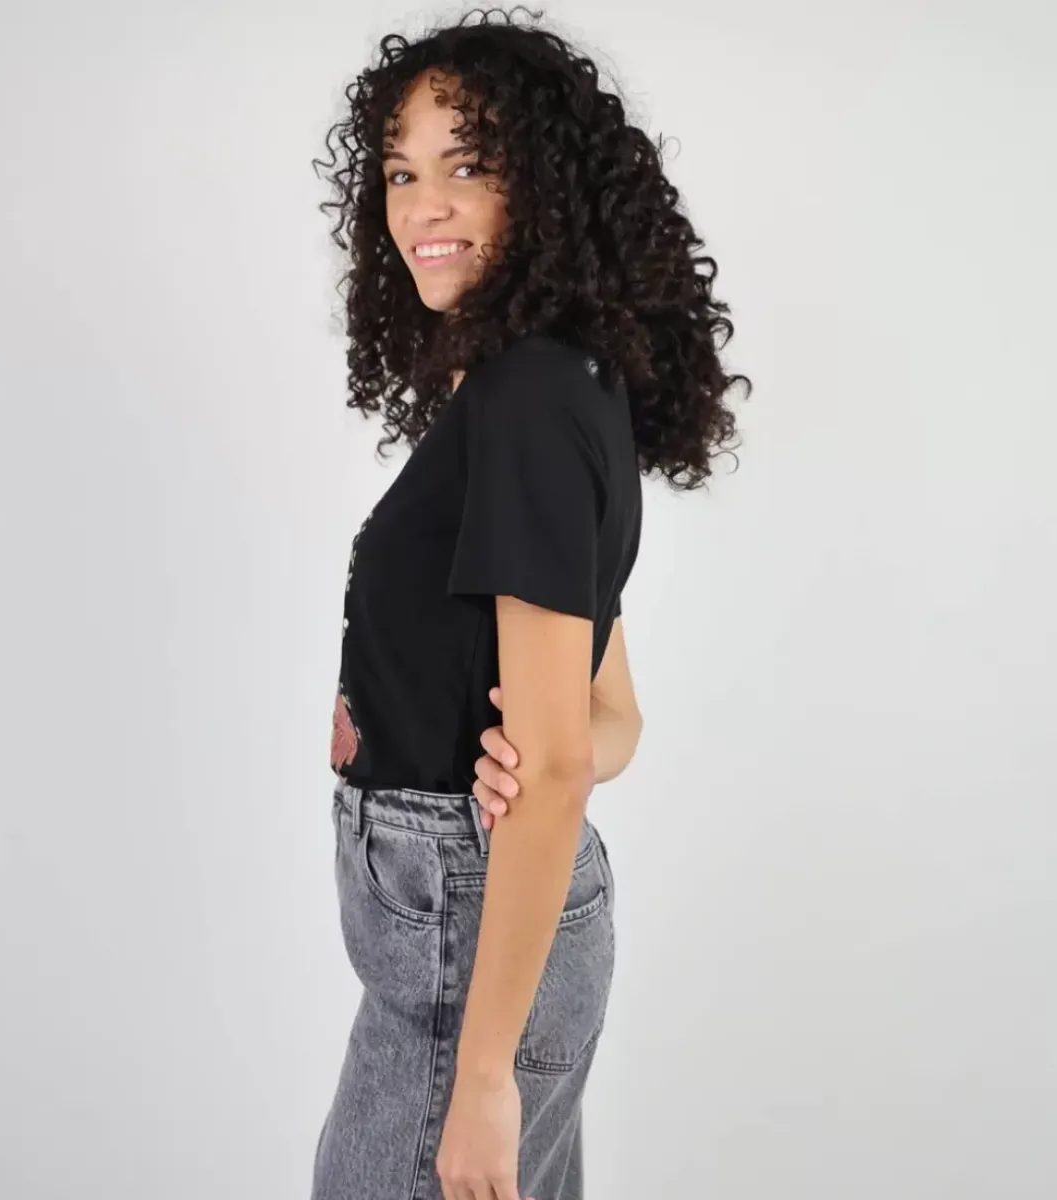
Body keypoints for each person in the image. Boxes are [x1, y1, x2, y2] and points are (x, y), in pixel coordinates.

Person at [309, 9, 749, 1199]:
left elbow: (561, 763)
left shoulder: (527, 406)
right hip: (475, 927)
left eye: (467, 166)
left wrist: (485, 1076)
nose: (423, 208)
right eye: (401, 173)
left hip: (472, 942)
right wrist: (552, 760)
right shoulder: (547, 384)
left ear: (544, 185)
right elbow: (612, 716)